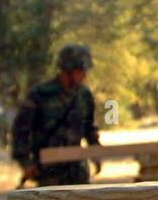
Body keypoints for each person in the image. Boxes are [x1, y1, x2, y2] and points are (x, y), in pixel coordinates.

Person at [12, 44, 101, 186]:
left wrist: (96, 152)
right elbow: (20, 132)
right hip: (49, 173)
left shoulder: (84, 95)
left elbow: (89, 127)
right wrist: (25, 163)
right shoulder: (40, 95)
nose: (85, 75)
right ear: (67, 70)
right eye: (80, 70)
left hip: (77, 172)